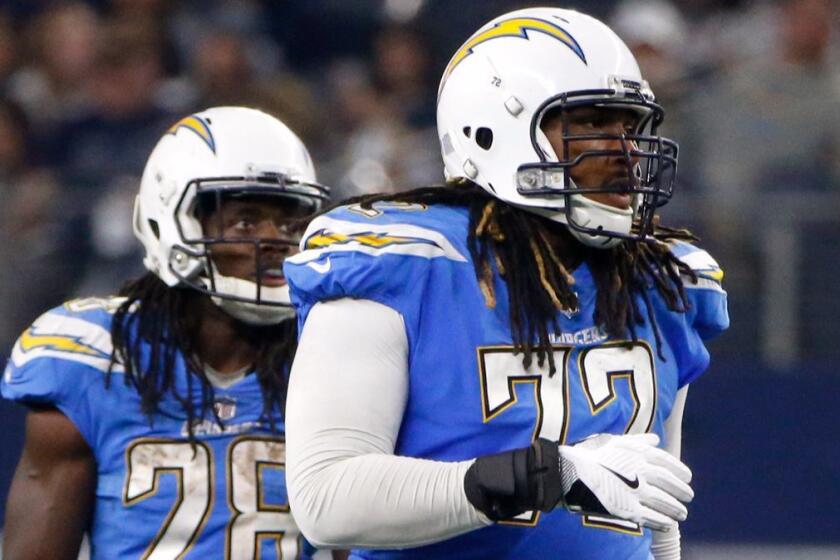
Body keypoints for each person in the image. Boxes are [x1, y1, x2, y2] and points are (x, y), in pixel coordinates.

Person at [283, 8, 728, 560]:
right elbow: (326, 499)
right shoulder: (408, 264)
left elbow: (658, 521)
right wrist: (546, 474)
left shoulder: (655, 279)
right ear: (493, 129)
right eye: (591, 123)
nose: (625, 153)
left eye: (630, 127)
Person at [1, 106, 337, 559]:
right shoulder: (95, 358)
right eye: (246, 220)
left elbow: (360, 545)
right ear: (172, 220)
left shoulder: (328, 356)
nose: (275, 240)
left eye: (291, 223)